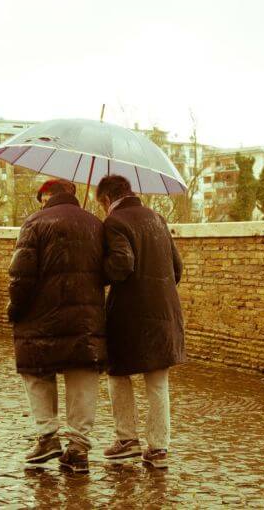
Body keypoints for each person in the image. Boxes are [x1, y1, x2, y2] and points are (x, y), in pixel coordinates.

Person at [7, 178, 106, 473]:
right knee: (83, 375)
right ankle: (78, 447)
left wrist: (16, 309)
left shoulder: (35, 223)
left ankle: (48, 435)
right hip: (85, 317)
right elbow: (110, 271)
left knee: (37, 372)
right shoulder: (96, 225)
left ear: (46, 196)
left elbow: (21, 276)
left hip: (41, 317)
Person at [96, 174, 185, 469]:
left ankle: (126, 439)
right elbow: (177, 267)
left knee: (117, 373)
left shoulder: (115, 222)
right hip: (164, 311)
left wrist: (98, 272)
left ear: (107, 199)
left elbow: (122, 264)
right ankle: (158, 448)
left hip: (129, 313)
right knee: (158, 380)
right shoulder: (156, 218)